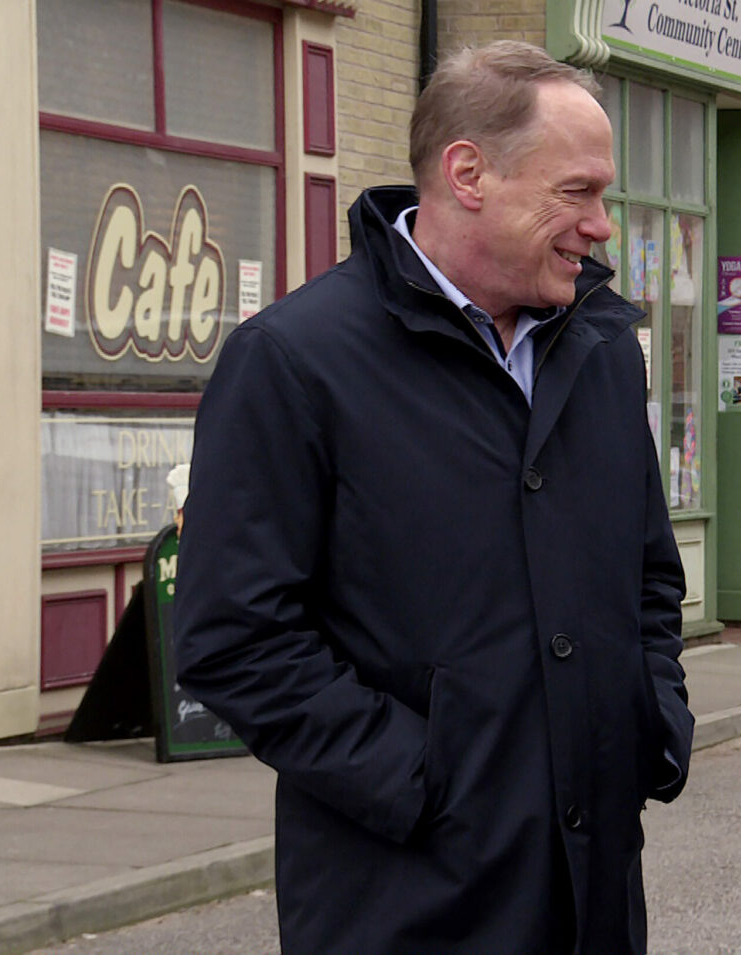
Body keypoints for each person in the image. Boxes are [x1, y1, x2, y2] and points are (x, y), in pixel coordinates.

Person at [174, 40, 693, 954]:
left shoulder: (605, 350)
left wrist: (653, 721)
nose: (604, 225)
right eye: (578, 192)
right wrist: (423, 779)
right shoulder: (295, 363)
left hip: (592, 903)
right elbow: (234, 639)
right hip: (402, 905)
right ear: (468, 174)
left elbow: (648, 576)